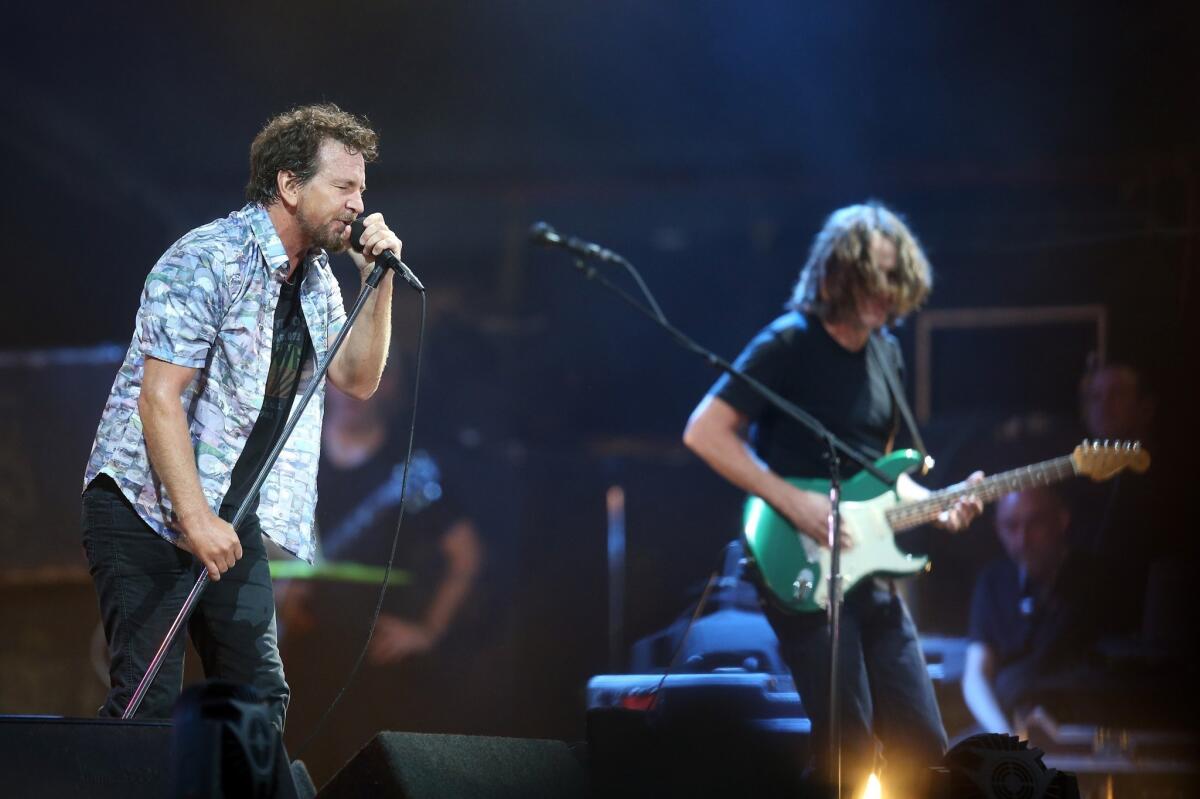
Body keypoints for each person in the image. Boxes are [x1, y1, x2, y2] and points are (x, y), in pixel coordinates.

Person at [81, 103, 402, 733]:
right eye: (343, 187)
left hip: (230, 511)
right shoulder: (207, 258)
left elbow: (358, 379)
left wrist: (377, 280)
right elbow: (158, 398)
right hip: (143, 507)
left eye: (360, 190)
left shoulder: (317, 280)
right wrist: (194, 518)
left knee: (257, 701)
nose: (357, 205)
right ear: (289, 184)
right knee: (148, 704)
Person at [683, 202, 982, 796]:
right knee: (847, 748)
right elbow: (705, 432)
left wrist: (938, 503)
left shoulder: (887, 354)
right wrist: (795, 502)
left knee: (925, 746)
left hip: (869, 571)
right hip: (799, 562)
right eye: (871, 276)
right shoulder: (789, 342)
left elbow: (884, 476)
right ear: (836, 275)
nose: (882, 293)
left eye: (893, 278)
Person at [962, 488, 1106, 734]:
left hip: (1081, 726)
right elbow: (975, 675)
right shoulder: (993, 581)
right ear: (997, 528)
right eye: (1011, 526)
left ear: (1061, 520)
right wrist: (1004, 735)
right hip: (1011, 725)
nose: (1022, 540)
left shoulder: (1096, 578)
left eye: (1035, 524)